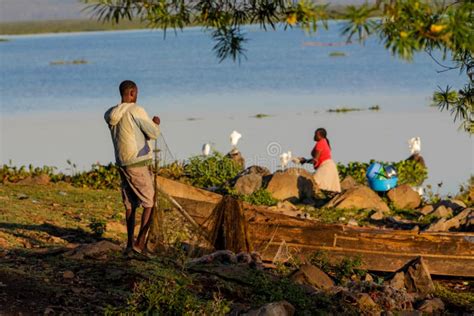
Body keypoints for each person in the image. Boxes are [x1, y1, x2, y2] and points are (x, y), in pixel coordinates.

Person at [104, 80, 161, 254]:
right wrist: (156, 123)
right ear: (132, 92)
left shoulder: (110, 113)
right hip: (137, 162)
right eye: (136, 92)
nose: (137, 95)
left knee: (130, 204)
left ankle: (129, 244)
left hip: (122, 163)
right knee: (150, 202)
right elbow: (153, 133)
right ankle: (140, 244)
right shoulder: (136, 110)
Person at [298, 128, 341, 193]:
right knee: (327, 190)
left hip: (326, 167)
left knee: (314, 183)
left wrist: (305, 161)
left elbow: (315, 160)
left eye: (315, 134)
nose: (314, 136)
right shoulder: (324, 142)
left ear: (320, 135)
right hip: (329, 166)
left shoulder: (320, 143)